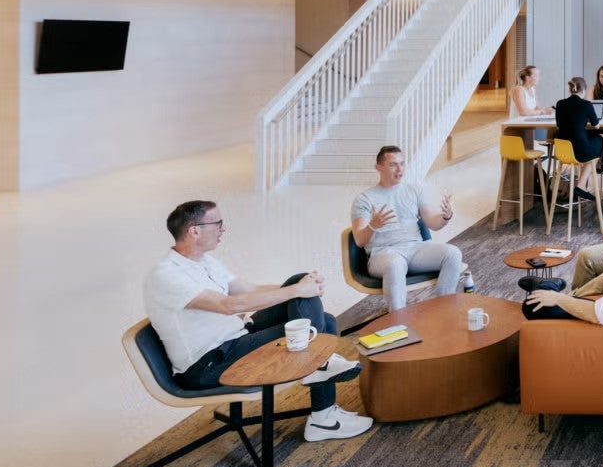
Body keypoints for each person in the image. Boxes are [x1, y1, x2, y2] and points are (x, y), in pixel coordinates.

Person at [146, 201, 373, 442]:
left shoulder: (204, 261)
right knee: (314, 316)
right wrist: (297, 291)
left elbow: (248, 290)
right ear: (194, 231)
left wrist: (304, 286)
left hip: (235, 340)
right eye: (218, 224)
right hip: (209, 364)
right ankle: (322, 402)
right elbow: (227, 306)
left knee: (316, 309)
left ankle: (321, 378)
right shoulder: (167, 274)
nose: (223, 230)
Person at [350, 146, 465, 311]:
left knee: (453, 253)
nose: (400, 169)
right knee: (395, 264)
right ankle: (397, 319)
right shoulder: (364, 199)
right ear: (379, 167)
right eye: (393, 165)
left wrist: (445, 216)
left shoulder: (414, 190)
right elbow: (360, 241)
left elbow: (433, 222)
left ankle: (444, 309)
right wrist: (372, 226)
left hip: (416, 249)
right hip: (383, 254)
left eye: (402, 164)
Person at [553, 76, 603, 200]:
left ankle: (581, 184)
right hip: (580, 151)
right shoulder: (586, 104)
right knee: (601, 138)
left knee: (587, 140)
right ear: (584, 90)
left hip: (562, 151)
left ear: (570, 90)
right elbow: (596, 125)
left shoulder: (560, 104)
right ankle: (581, 185)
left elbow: (559, 125)